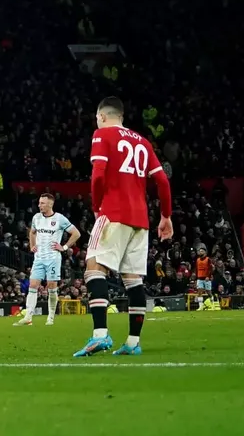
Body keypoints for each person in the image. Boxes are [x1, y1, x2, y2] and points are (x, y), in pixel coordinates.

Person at [74, 97, 173, 358]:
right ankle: (132, 342)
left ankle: (100, 335)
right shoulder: (143, 141)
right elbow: (162, 181)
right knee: (133, 279)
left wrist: (97, 206)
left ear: (103, 116)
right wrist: (166, 216)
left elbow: (97, 175)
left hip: (114, 213)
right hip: (140, 220)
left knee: (94, 267)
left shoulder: (102, 134)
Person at [18, 193, 79, 326]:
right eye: (39, 203)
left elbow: (76, 233)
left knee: (52, 287)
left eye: (42, 203)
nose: (39, 205)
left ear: (50, 204)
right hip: (39, 258)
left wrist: (64, 247)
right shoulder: (37, 218)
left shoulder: (59, 219)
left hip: (53, 258)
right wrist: (32, 245)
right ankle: (28, 317)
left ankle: (51, 317)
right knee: (33, 285)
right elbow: (32, 232)